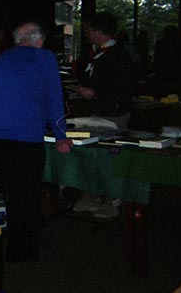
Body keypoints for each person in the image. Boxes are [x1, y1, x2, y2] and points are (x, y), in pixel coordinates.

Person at [0, 20, 73, 263]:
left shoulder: (1, 58)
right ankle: (24, 252)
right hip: (27, 137)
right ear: (39, 40)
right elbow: (55, 99)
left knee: (12, 193)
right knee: (29, 195)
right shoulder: (44, 57)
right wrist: (61, 136)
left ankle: (12, 248)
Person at [73, 11, 135, 218]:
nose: (87, 34)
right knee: (90, 157)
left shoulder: (120, 55)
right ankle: (90, 197)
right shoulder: (93, 53)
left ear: (99, 32)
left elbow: (125, 89)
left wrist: (96, 93)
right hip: (94, 113)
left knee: (111, 160)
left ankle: (113, 201)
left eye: (89, 30)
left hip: (113, 114)